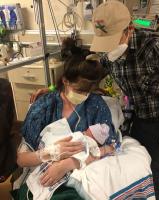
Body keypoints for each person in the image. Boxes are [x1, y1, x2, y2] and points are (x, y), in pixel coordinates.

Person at [89, 1, 159, 200]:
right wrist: (60, 90)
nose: (109, 50)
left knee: (154, 181)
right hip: (141, 119)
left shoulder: (157, 47)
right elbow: (92, 74)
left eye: (113, 42)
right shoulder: (111, 54)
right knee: (136, 173)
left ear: (129, 29)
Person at [13, 38, 118, 200]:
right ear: (65, 81)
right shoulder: (44, 106)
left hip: (84, 170)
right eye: (79, 90)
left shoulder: (96, 105)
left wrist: (69, 163)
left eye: (88, 91)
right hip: (45, 171)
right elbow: (21, 159)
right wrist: (49, 153)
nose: (83, 96)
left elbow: (111, 147)